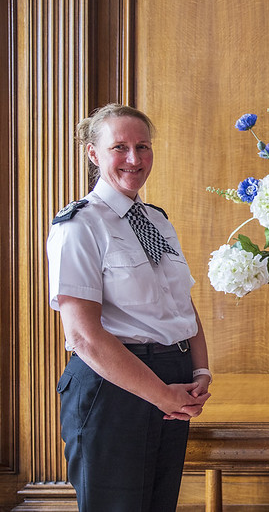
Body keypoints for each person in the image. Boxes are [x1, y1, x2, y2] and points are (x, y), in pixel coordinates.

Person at [47, 104, 212, 511]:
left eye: (143, 146)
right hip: (113, 388)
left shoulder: (157, 220)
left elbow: (182, 305)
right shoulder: (78, 226)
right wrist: (161, 395)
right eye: (119, 147)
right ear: (93, 153)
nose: (134, 159)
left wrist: (200, 370)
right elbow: (83, 337)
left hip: (173, 382)